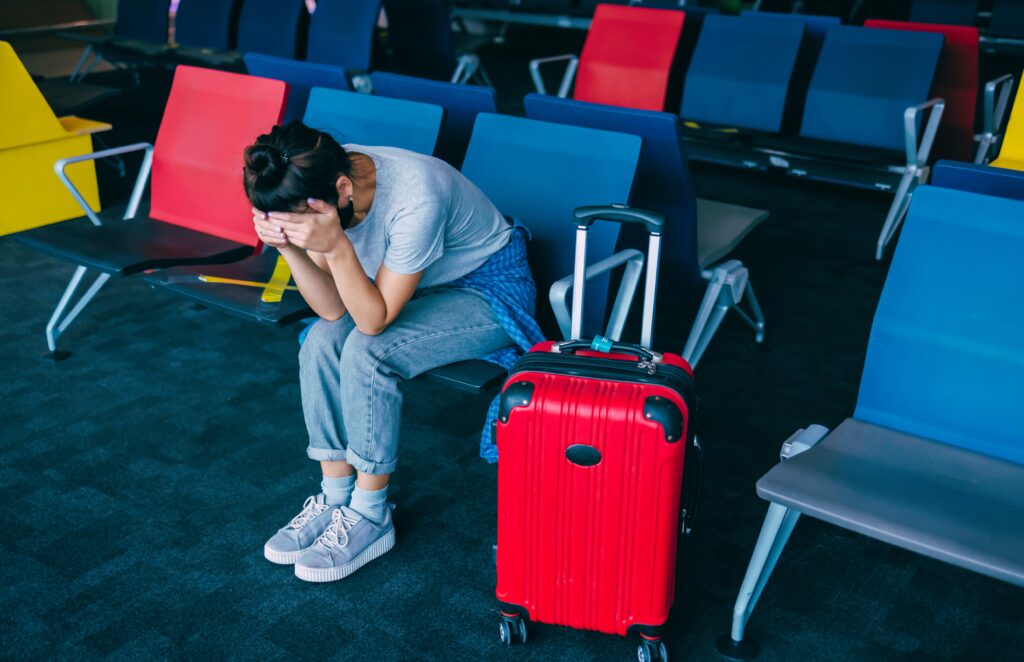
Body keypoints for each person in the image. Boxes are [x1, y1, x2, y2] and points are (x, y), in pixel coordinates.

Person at [242, 122, 543, 583]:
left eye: (299, 219)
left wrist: (336, 245)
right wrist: (291, 248)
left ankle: (370, 512)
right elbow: (329, 310)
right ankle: (335, 497)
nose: (297, 226)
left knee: (370, 351)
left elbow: (370, 323)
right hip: (413, 285)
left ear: (343, 189)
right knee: (322, 342)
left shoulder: (415, 196)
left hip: (486, 288)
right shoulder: (319, 182)